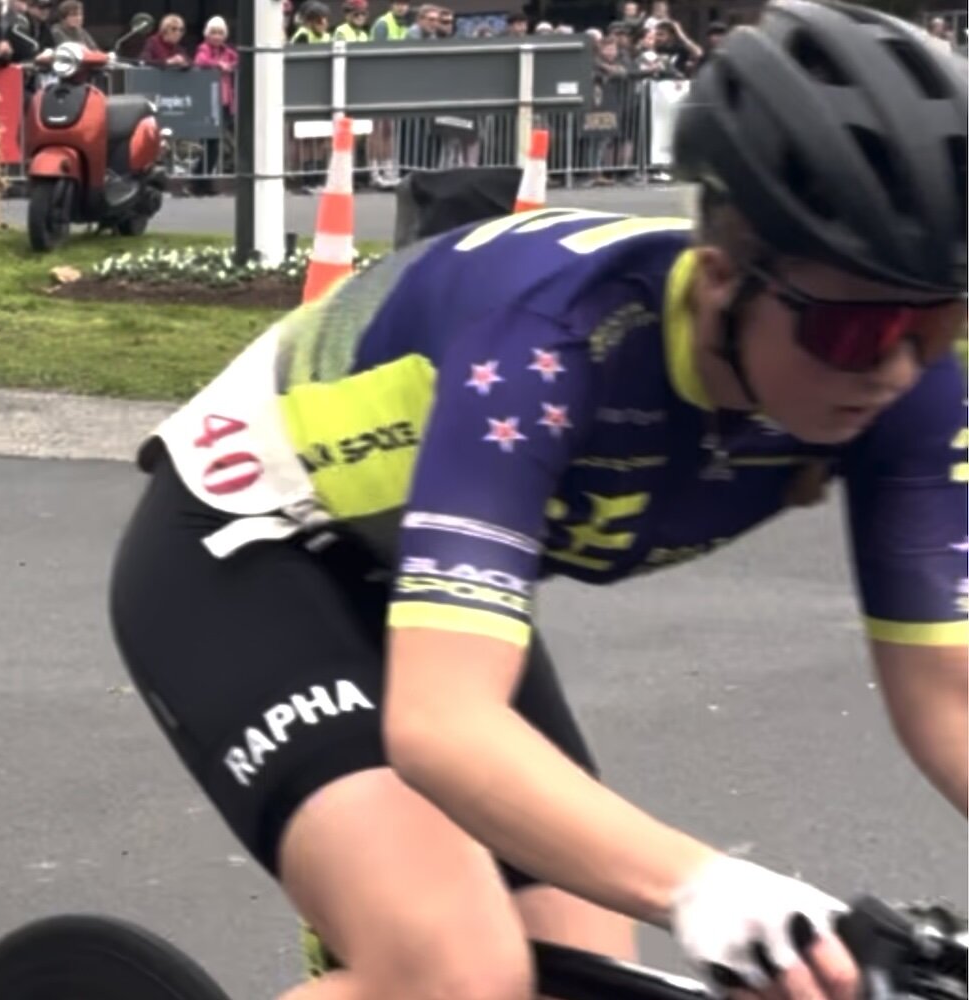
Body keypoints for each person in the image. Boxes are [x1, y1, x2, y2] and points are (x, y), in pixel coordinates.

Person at [105, 1, 966, 998]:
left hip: (428, 571)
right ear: (724, 279)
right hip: (251, 542)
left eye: (941, 320)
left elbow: (947, 698)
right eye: (859, 333)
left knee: (588, 979)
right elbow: (442, 724)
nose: (901, 368)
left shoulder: (903, 391)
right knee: (457, 973)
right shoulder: (552, 347)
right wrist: (708, 884)